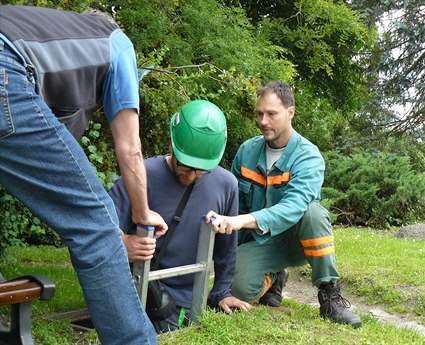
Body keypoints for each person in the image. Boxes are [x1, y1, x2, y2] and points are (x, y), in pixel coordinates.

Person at [0, 5, 167, 344]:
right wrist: (141, 211)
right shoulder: (117, 43)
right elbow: (130, 148)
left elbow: (55, 170)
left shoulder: (49, 41)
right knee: (95, 219)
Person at [205, 81, 362, 328]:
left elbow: (294, 206)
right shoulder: (247, 151)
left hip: (296, 241)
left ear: (290, 112)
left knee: (313, 212)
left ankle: (330, 296)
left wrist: (241, 221)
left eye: (271, 114)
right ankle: (274, 276)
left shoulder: (308, 156)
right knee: (237, 290)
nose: (263, 121)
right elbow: (231, 204)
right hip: (257, 241)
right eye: (259, 114)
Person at [110, 100, 252, 333]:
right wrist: (122, 244)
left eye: (201, 170)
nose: (191, 175)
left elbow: (227, 248)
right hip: (131, 289)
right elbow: (102, 223)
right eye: (185, 165)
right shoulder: (142, 174)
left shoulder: (226, 185)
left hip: (183, 299)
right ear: (172, 144)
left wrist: (222, 293)